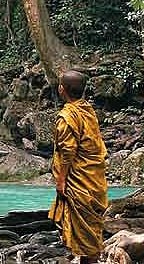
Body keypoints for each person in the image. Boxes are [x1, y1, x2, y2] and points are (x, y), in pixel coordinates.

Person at [48, 70, 108, 264]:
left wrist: (61, 180)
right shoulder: (87, 110)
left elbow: (68, 151)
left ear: (61, 89)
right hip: (93, 178)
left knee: (85, 231)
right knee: (89, 228)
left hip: (77, 181)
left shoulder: (67, 116)